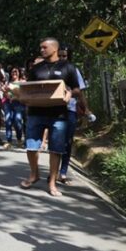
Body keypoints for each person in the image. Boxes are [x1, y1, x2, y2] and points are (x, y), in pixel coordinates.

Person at [19, 38, 80, 197]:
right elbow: (28, 88)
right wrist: (21, 97)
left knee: (56, 149)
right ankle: (34, 174)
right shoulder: (36, 69)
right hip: (35, 113)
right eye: (40, 48)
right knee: (31, 147)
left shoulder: (68, 67)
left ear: (54, 48)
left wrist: (70, 94)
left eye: (44, 47)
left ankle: (52, 182)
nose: (41, 50)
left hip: (58, 115)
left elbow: (76, 89)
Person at [57, 45, 90, 183]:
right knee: (56, 142)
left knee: (67, 142)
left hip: (70, 110)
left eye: (64, 55)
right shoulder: (51, 69)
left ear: (69, 56)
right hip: (54, 110)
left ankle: (63, 171)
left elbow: (80, 91)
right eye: (59, 55)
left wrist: (86, 109)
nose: (61, 58)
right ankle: (54, 171)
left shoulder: (74, 70)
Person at [2, 67, 26, 149]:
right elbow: (5, 95)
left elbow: (23, 94)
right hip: (8, 103)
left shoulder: (22, 82)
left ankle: (19, 139)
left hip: (18, 103)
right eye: (12, 72)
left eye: (16, 71)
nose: (14, 73)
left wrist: (14, 94)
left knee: (17, 120)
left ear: (19, 73)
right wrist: (5, 92)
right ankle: (9, 141)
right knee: (8, 120)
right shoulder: (8, 83)